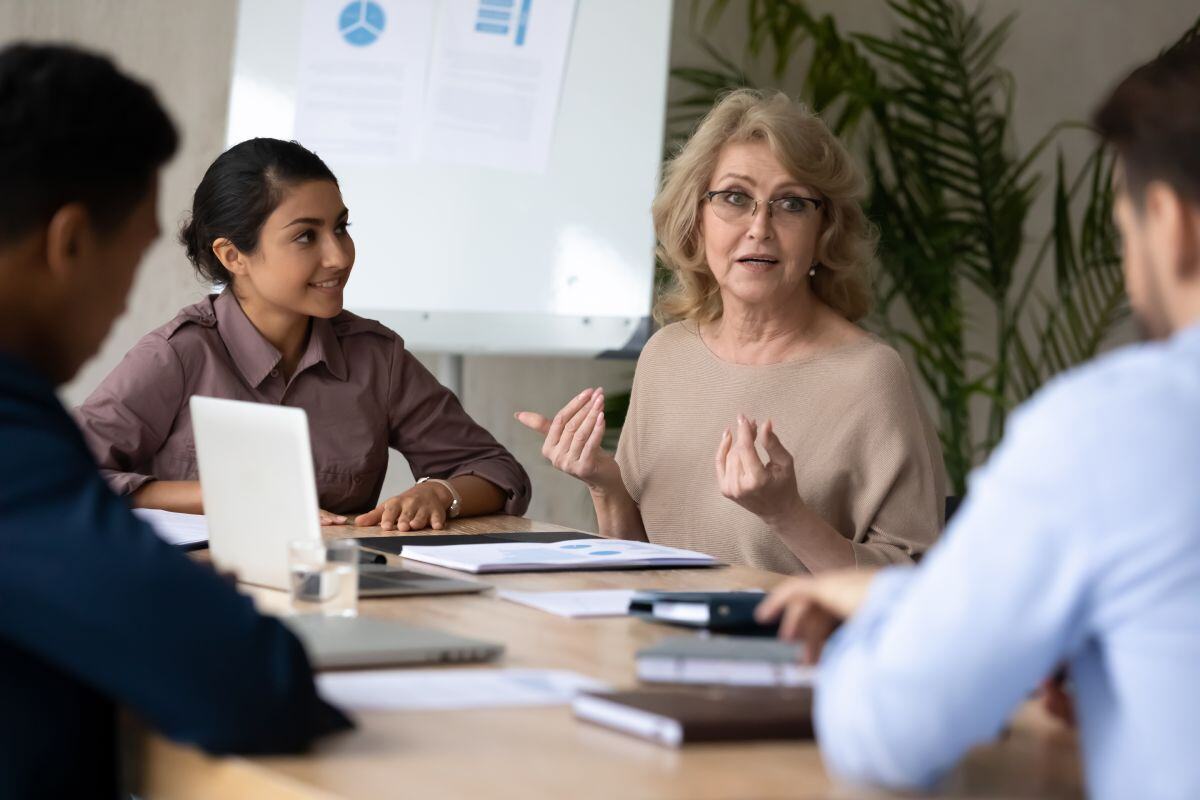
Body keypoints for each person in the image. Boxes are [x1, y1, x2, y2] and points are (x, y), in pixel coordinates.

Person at [755, 38, 1200, 800]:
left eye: (1125, 235)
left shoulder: (1113, 428)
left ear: (1169, 223)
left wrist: (896, 622)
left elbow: (889, 732)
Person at [0, 43, 351, 798]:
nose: (128, 298)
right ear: (69, 244)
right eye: (136, 253)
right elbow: (251, 683)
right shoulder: (13, 441)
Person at [517, 89, 945, 573]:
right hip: (656, 641)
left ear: (824, 233)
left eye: (791, 204)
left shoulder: (869, 376)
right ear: (696, 220)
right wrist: (605, 485)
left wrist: (787, 515)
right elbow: (641, 569)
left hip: (799, 647)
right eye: (736, 198)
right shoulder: (667, 356)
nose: (760, 226)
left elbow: (915, 588)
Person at [76, 137, 530, 532]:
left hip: (335, 597)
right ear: (233, 255)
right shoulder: (178, 355)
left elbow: (497, 471)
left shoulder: (377, 358)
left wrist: (441, 494)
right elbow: (53, 473)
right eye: (305, 237)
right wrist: (220, 496)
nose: (338, 256)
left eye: (340, 228)